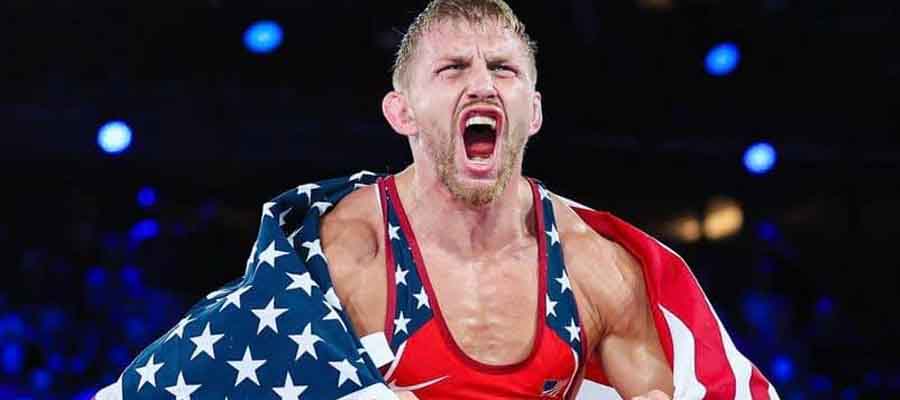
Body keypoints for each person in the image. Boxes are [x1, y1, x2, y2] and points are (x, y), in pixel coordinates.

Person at [95, 1, 779, 399]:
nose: (481, 85)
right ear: (402, 112)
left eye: (503, 69)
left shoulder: (597, 270)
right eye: (453, 68)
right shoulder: (341, 254)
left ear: (532, 111)